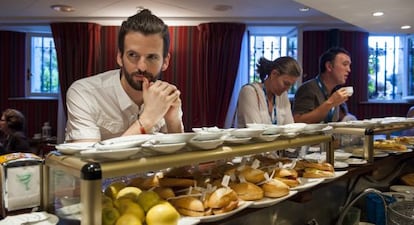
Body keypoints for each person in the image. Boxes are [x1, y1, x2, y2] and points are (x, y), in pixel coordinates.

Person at [65, 9, 183, 142]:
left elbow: (182, 162)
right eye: (133, 55)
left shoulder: (165, 97)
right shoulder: (84, 92)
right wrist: (147, 121)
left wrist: (174, 122)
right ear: (120, 57)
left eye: (152, 57)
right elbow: (88, 160)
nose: (142, 67)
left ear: (165, 62)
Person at [236, 56, 302, 128]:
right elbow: (255, 129)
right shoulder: (249, 92)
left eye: (291, 86)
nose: (287, 89)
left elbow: (290, 127)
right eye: (286, 83)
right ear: (274, 74)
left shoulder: (283, 95)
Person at [293, 47, 352, 124]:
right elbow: (298, 121)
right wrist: (330, 102)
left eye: (349, 65)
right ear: (329, 66)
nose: (349, 70)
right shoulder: (308, 88)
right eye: (345, 64)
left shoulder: (335, 91)